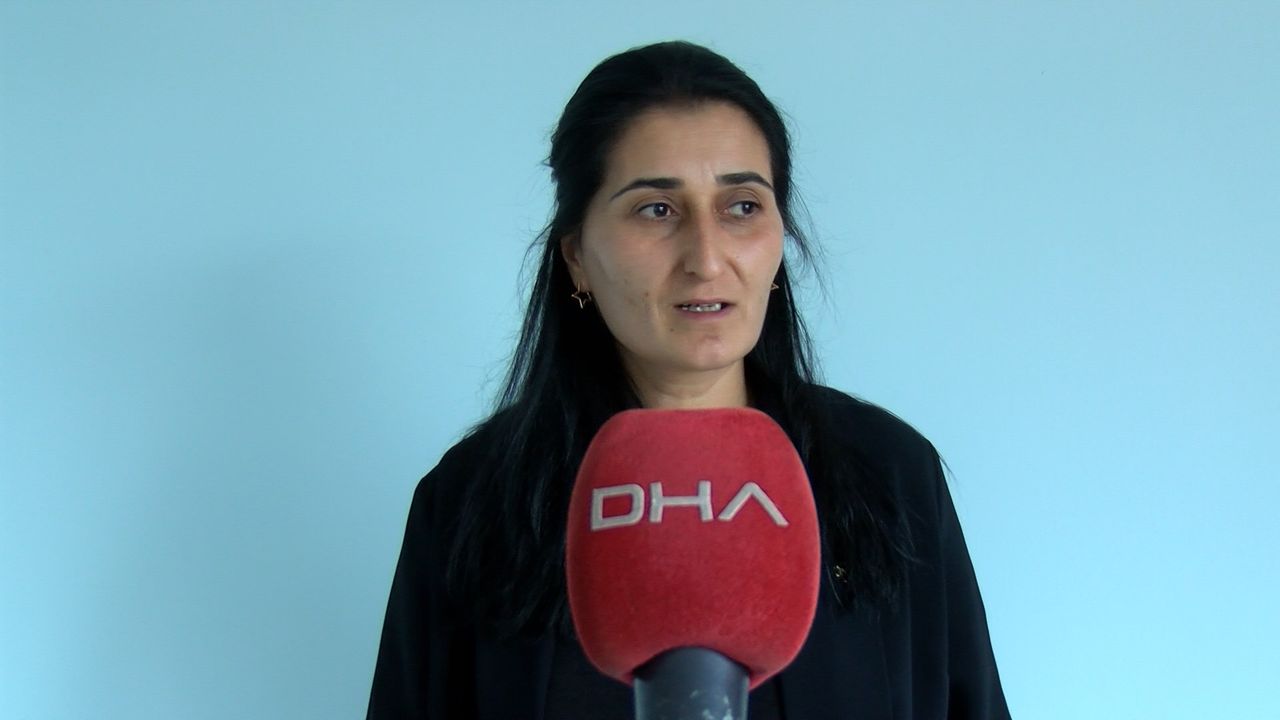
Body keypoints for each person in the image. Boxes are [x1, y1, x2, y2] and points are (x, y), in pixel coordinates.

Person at [366, 40, 1011, 719]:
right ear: (577, 255)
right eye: (657, 210)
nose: (706, 258)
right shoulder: (472, 500)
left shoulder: (890, 474)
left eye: (741, 207)